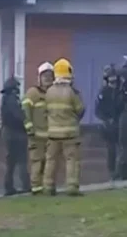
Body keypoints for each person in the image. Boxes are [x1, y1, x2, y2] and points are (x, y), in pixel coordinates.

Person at [43, 58, 85, 196]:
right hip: (70, 133)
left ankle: (48, 187)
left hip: (52, 133)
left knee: (51, 160)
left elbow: (46, 111)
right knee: (71, 160)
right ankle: (72, 186)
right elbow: (80, 109)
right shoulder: (72, 92)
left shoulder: (49, 92)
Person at [22, 62, 54, 195]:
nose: (47, 78)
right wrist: (29, 128)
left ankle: (47, 187)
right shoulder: (33, 93)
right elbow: (25, 111)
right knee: (37, 161)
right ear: (39, 78)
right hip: (36, 136)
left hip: (51, 136)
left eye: (49, 76)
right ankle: (36, 187)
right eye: (44, 76)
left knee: (49, 163)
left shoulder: (54, 93)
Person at [0, 76, 31, 196]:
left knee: (11, 161)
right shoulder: (12, 99)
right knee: (22, 160)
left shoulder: (5, 99)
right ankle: (25, 185)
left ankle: (9, 187)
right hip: (16, 133)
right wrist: (26, 122)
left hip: (8, 132)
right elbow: (18, 115)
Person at [95, 64, 125, 182]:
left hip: (120, 123)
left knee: (122, 149)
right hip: (108, 126)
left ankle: (121, 171)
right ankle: (113, 172)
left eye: (114, 80)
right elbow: (98, 110)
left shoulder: (121, 91)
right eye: (110, 80)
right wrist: (106, 120)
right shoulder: (103, 92)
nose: (113, 83)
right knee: (111, 150)